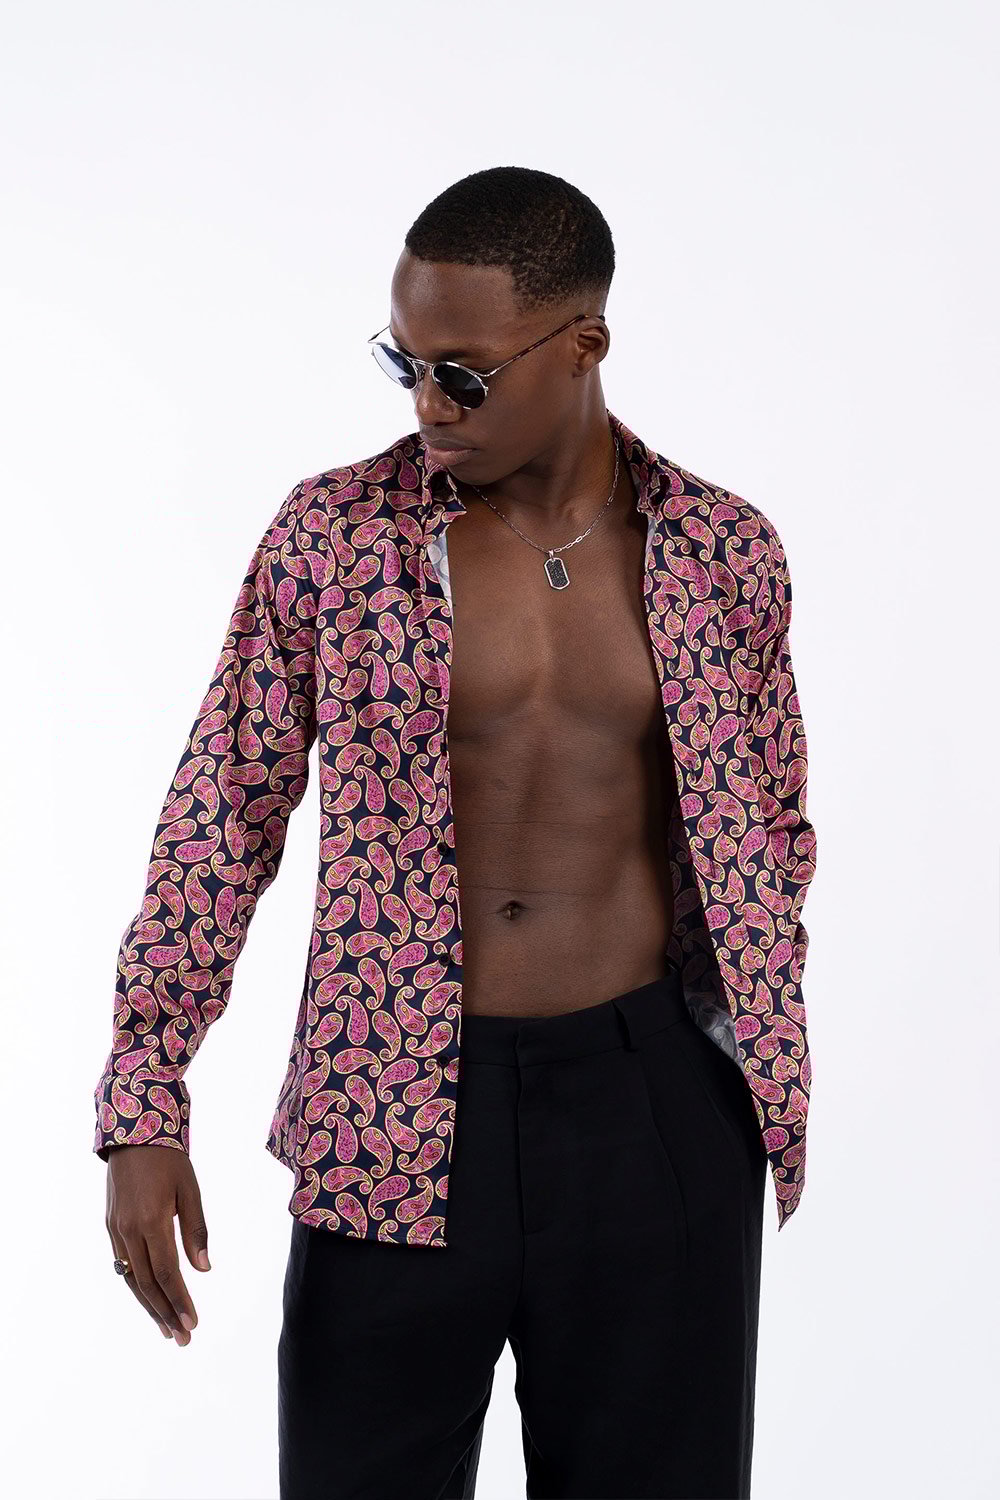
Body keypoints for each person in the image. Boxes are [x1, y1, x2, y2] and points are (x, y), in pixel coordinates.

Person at [95, 165, 817, 1500]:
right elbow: (221, 814)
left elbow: (771, 830)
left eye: (464, 376)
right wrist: (145, 1091)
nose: (428, 406)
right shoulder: (331, 539)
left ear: (584, 344)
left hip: (652, 1112)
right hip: (389, 1104)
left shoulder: (725, 553)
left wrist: (737, 1073)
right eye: (405, 365)